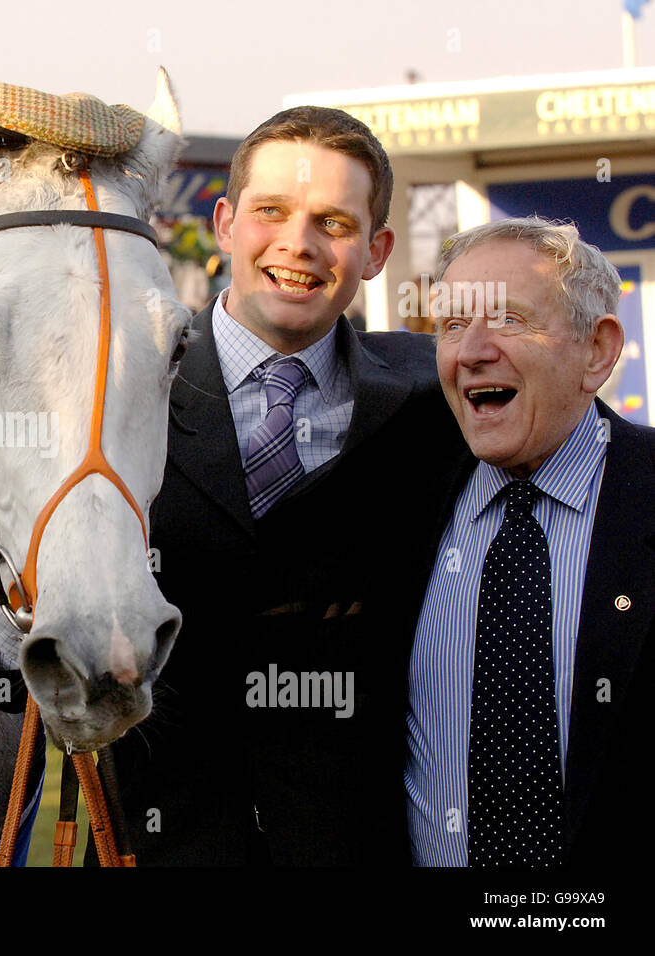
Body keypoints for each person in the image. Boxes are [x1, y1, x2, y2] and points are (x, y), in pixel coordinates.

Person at [94, 106, 466, 865]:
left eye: (333, 221)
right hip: (162, 843)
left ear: (375, 251)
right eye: (272, 212)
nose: (298, 244)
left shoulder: (439, 398)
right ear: (227, 223)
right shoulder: (111, 391)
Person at [404, 218, 649, 867]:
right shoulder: (394, 508)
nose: (472, 351)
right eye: (453, 325)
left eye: (508, 319)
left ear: (597, 351)